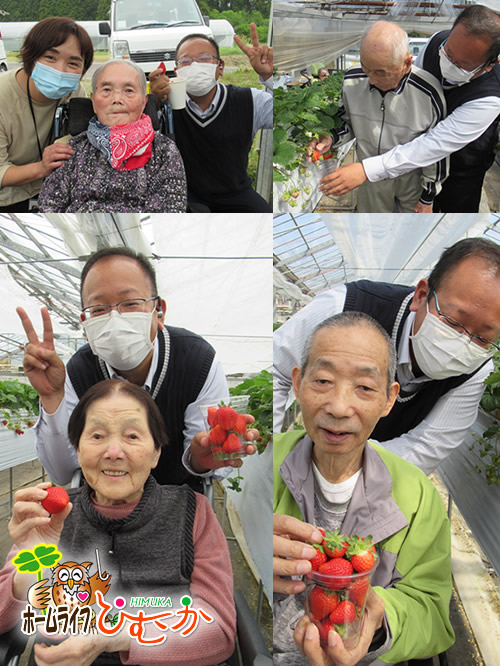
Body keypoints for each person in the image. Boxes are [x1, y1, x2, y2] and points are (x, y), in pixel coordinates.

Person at [0, 379, 236, 665]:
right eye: (97, 436)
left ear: (156, 453)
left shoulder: (192, 512)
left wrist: (116, 636)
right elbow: (4, 620)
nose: (113, 452)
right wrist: (31, 560)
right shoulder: (49, 515)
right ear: (77, 448)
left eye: (132, 437)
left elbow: (220, 632)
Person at [273, 311, 454, 665]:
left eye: (365, 388)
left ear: (389, 399)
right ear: (297, 383)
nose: (339, 407)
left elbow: (432, 611)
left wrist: (380, 620)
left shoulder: (416, 495)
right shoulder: (263, 465)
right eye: (323, 381)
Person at [17, 246, 258, 492]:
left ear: (159, 311)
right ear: (86, 323)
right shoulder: (77, 371)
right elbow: (61, 471)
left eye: (130, 303)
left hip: (177, 501)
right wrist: (51, 398)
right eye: (98, 309)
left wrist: (201, 458)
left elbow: (212, 459)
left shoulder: (197, 361)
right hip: (103, 504)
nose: (114, 318)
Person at [274, 237, 500, 474]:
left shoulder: (476, 369)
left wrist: (341, 472)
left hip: (376, 477)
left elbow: (426, 445)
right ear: (421, 296)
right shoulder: (345, 305)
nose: (462, 343)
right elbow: (277, 369)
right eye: (453, 322)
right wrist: (276, 458)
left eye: (483, 338)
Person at [316, 5, 500, 213]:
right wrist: (332, 137)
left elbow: (433, 144)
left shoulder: (490, 98)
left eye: (462, 64)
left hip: (459, 164)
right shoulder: (436, 43)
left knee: (450, 212)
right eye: (448, 53)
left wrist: (426, 195)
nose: (449, 63)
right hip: (396, 169)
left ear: (489, 65)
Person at [309, 21, 447, 213]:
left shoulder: (428, 92)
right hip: (369, 179)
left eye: (381, 73)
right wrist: (331, 137)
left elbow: (437, 149)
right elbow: (348, 122)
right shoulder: (352, 81)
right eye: (366, 68)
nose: (371, 80)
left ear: (406, 63)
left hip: (411, 181)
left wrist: (428, 197)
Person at [148, 24, 273, 212]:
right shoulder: (166, 105)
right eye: (186, 61)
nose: (195, 65)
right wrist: (152, 101)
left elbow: (289, 114)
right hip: (183, 195)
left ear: (220, 67)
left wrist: (269, 76)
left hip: (235, 194)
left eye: (205, 58)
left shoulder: (248, 101)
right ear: (176, 70)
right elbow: (138, 139)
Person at [37, 60, 186, 212]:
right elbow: (48, 207)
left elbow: (170, 212)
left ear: (143, 102)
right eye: (107, 90)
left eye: (128, 90)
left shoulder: (164, 150)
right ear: (93, 101)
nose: (117, 99)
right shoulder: (73, 149)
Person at [0, 17, 92, 212]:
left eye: (73, 63)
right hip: (9, 199)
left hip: (54, 192)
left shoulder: (75, 92)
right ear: (30, 55)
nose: (60, 70)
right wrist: (42, 168)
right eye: (50, 57)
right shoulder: (3, 96)